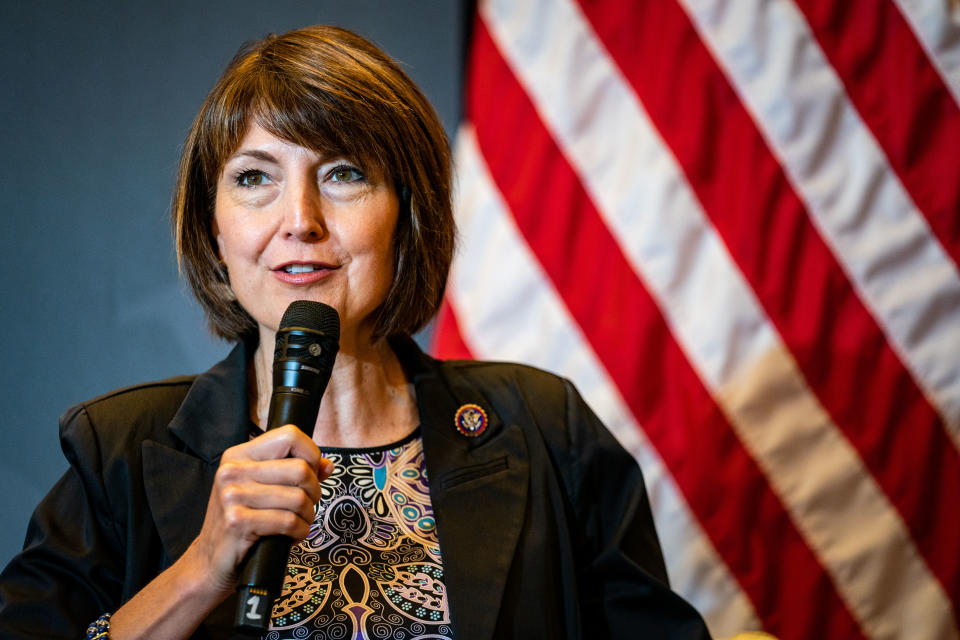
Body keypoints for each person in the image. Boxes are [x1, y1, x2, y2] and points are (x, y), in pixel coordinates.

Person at [0, 25, 711, 639]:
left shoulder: (547, 430)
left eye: (343, 174)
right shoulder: (118, 449)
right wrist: (199, 570)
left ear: (409, 214)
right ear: (214, 230)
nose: (299, 219)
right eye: (254, 178)